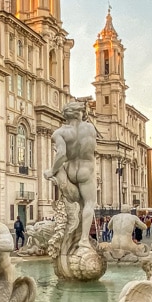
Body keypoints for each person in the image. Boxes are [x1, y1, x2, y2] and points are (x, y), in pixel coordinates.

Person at [43, 101, 97, 250]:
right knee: (89, 204)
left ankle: (72, 234)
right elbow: (91, 149)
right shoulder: (90, 128)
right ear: (79, 113)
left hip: (70, 170)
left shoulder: (59, 133)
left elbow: (61, 155)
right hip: (87, 169)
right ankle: (84, 240)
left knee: (76, 204)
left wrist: (52, 170)